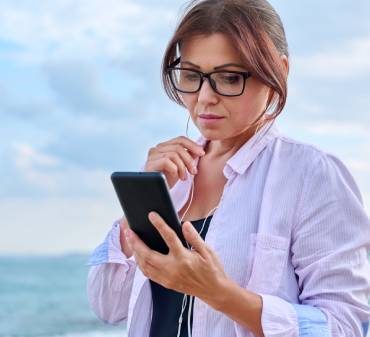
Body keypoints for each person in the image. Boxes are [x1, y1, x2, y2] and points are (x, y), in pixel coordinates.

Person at [86, 0, 370, 336]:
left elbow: (345, 326)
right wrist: (135, 213)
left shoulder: (312, 174)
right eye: (191, 75)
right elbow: (108, 305)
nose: (205, 97)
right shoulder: (171, 175)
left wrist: (219, 294)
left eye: (230, 78)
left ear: (278, 71)